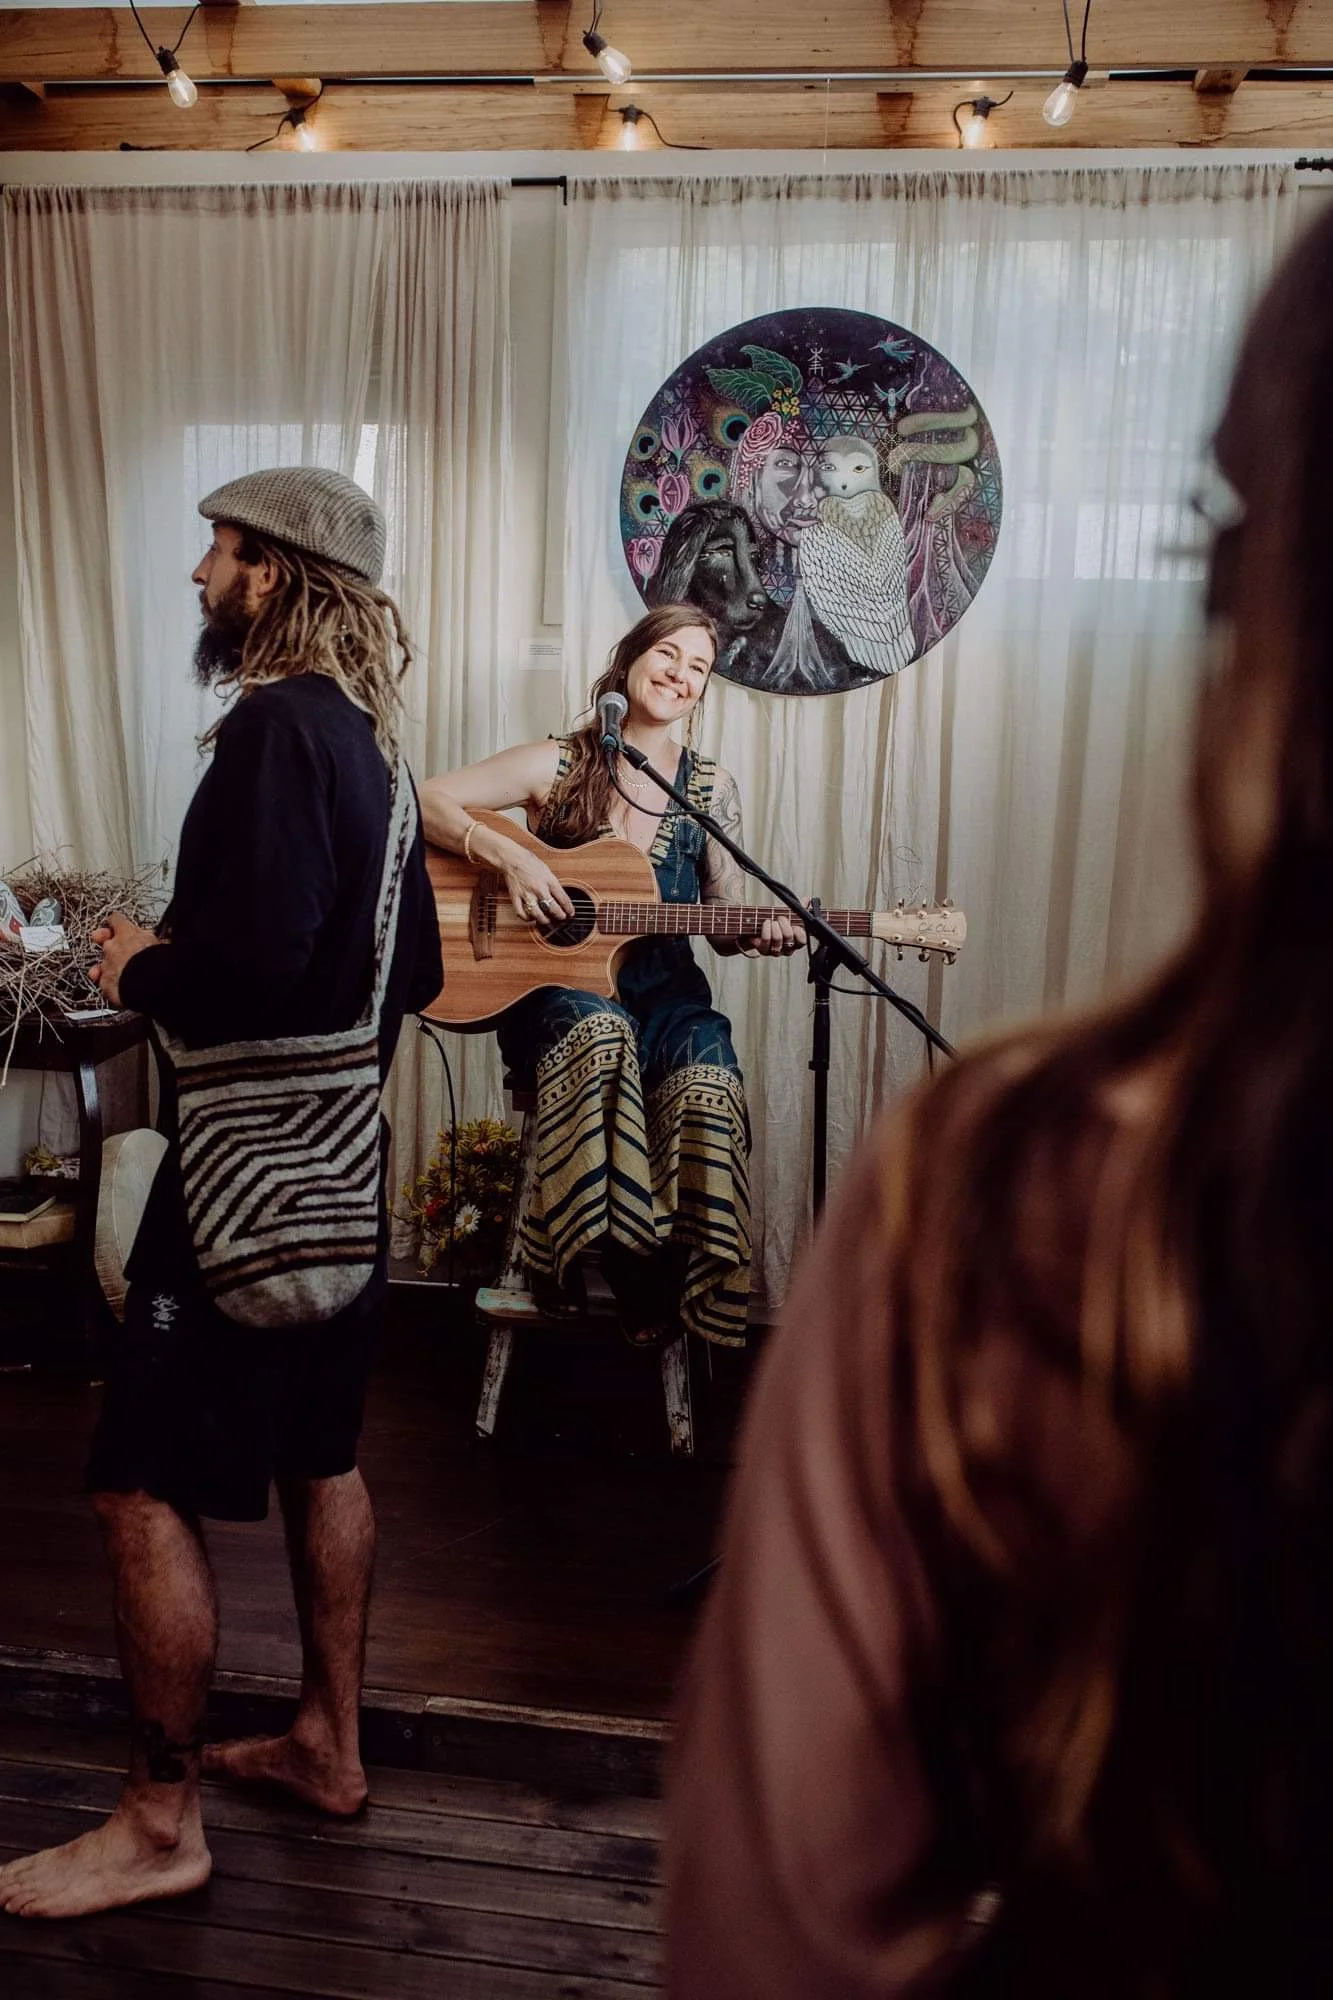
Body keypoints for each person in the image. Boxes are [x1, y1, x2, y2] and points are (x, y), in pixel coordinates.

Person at [666, 210, 1333, 1995]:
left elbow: (771, 1939)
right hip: (586, 1013)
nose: (668, 681)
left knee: (701, 1099)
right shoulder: (592, 740)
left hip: (685, 1010)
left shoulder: (1004, 1206)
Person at [0, 467, 443, 1921]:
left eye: (222, 550)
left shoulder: (268, 733)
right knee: (325, 1455)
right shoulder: (374, 746)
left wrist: (135, 964)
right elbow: (415, 981)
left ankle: (157, 1819)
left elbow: (245, 969)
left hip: (245, 1181)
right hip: (342, 1180)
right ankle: (330, 1742)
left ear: (280, 572)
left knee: (134, 1485)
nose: (198, 575)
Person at [420, 603, 803, 1350]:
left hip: (667, 997)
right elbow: (424, 798)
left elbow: (718, 917)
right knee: (603, 1033)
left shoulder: (710, 789)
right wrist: (513, 857)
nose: (680, 676)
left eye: (698, 668)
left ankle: (657, 1276)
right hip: (557, 998)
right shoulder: (557, 763)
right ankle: (581, 1264)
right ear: (629, 659)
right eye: (668, 654)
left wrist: (758, 933)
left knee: (707, 1078)